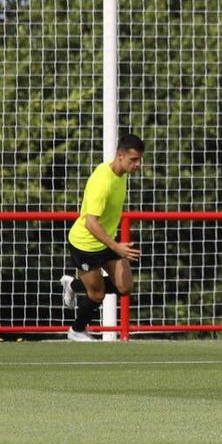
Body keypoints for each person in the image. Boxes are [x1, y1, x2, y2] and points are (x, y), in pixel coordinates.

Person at [64, 134, 146, 342]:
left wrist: (114, 244)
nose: (138, 164)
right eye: (133, 160)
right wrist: (117, 247)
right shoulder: (103, 182)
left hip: (106, 239)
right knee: (97, 295)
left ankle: (73, 285)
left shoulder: (122, 173)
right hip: (86, 244)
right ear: (120, 156)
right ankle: (76, 330)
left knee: (125, 287)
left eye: (139, 159)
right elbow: (91, 223)